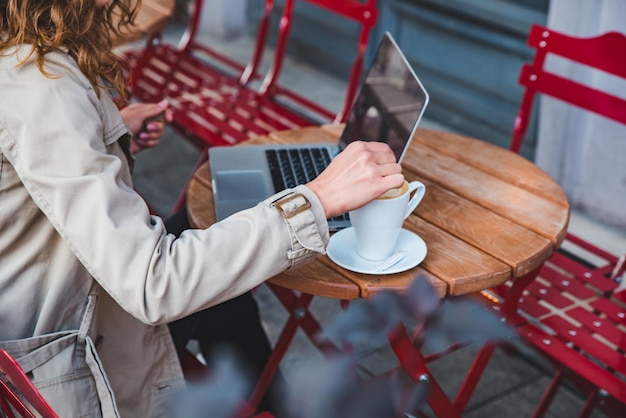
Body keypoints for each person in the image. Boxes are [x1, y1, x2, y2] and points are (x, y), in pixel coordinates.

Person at [0, 0, 405, 417]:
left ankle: (275, 407)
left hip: (67, 317)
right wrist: (317, 201)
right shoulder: (42, 86)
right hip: (71, 366)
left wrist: (104, 138)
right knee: (211, 258)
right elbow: (153, 284)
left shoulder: (25, 53)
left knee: (221, 275)